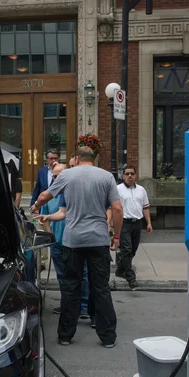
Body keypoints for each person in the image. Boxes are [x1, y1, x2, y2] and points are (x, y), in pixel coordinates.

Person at [31, 146, 123, 347]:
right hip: (98, 239)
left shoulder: (67, 176)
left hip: (73, 240)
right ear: (93, 158)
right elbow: (116, 208)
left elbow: (45, 195)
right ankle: (107, 337)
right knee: (100, 288)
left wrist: (36, 206)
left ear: (78, 159)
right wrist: (116, 235)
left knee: (71, 287)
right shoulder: (107, 177)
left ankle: (65, 335)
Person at [38, 163, 90, 320]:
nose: (55, 179)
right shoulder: (49, 195)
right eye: (53, 176)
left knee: (83, 274)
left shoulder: (75, 193)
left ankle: (84, 306)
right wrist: (50, 236)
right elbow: (44, 217)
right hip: (58, 243)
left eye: (58, 176)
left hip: (76, 243)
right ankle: (67, 304)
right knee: (62, 276)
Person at [115, 165, 153, 290]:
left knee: (132, 251)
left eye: (132, 173)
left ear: (136, 175)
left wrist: (148, 223)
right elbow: (113, 208)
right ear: (123, 176)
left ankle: (120, 270)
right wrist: (110, 225)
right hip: (124, 223)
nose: (130, 176)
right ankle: (131, 278)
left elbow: (145, 207)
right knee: (126, 249)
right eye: (127, 174)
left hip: (137, 223)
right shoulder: (118, 189)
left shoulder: (141, 190)